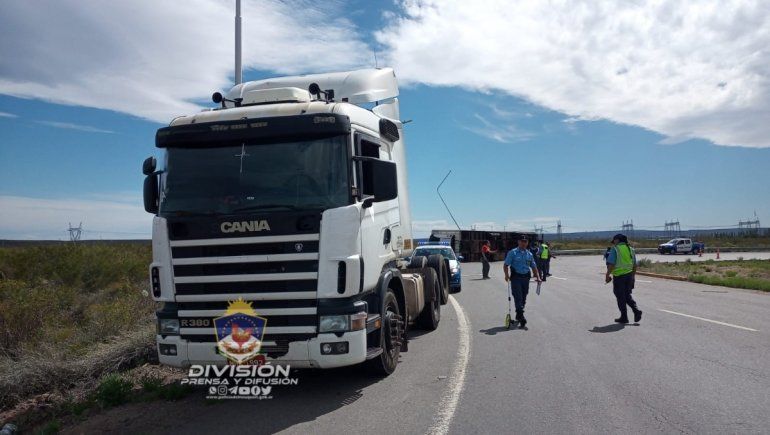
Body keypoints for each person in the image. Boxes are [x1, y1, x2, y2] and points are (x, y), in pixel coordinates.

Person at [503, 235, 541, 328]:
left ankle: (518, 313)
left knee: (524, 296)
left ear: (527, 243)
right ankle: (521, 316)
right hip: (516, 278)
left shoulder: (529, 254)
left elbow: (533, 266)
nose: (524, 243)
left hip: (526, 278)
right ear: (518, 242)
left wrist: (538, 276)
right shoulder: (513, 253)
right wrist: (506, 275)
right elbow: (506, 265)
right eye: (522, 241)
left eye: (525, 241)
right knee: (518, 296)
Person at [605, 233, 642, 324]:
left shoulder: (615, 249)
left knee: (620, 296)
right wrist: (633, 277)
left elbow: (611, 264)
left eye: (614, 241)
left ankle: (624, 317)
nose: (613, 243)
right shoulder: (630, 249)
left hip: (619, 277)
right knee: (626, 295)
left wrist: (607, 275)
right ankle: (636, 310)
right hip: (629, 275)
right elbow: (634, 265)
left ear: (617, 240)